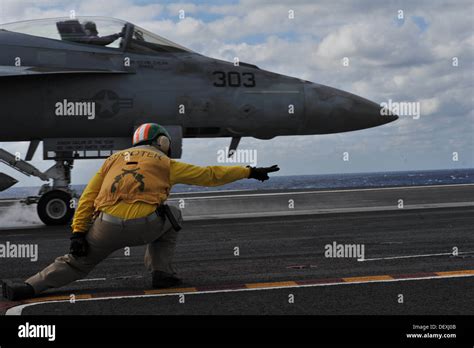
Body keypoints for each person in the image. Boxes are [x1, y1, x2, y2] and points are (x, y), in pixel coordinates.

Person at [1, 123, 279, 300]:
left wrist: (77, 233)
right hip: (145, 225)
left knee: (75, 262)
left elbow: (87, 197)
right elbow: (210, 174)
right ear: (161, 141)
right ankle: (162, 274)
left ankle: (27, 287)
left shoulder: (112, 160)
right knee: (174, 216)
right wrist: (250, 171)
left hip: (105, 226)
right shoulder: (165, 161)